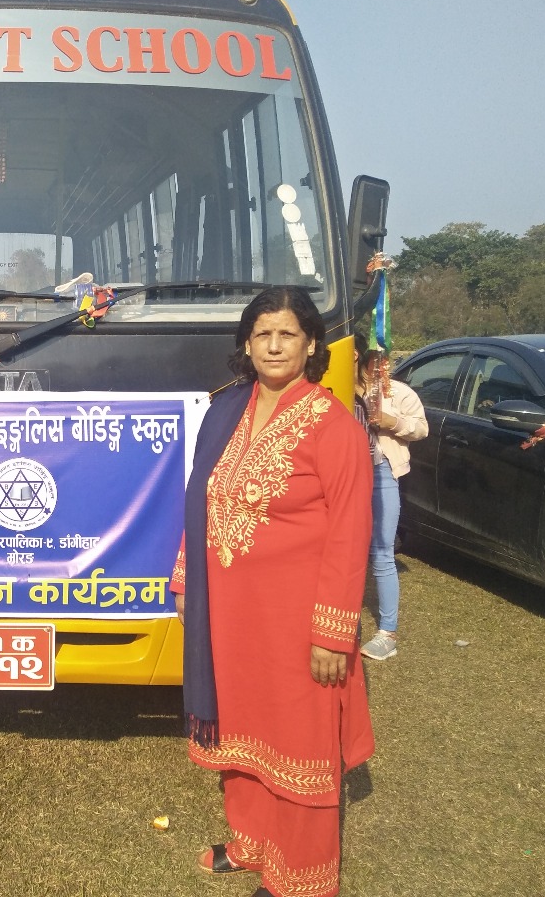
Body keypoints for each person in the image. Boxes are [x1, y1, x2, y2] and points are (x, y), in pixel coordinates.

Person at [172, 286, 374, 897]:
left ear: (311, 345)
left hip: (296, 620)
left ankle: (301, 876)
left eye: (288, 334)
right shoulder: (227, 411)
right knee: (242, 733)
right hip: (231, 615)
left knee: (298, 742)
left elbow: (350, 532)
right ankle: (252, 843)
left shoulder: (332, 425)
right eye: (263, 334)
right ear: (247, 343)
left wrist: (332, 632)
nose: (275, 345)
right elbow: (201, 497)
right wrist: (184, 578)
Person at [355, 335, 429, 661]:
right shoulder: (334, 389)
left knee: (381, 550)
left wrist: (391, 422)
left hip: (381, 472)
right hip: (343, 474)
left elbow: (421, 428)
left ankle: (388, 633)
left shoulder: (396, 392)